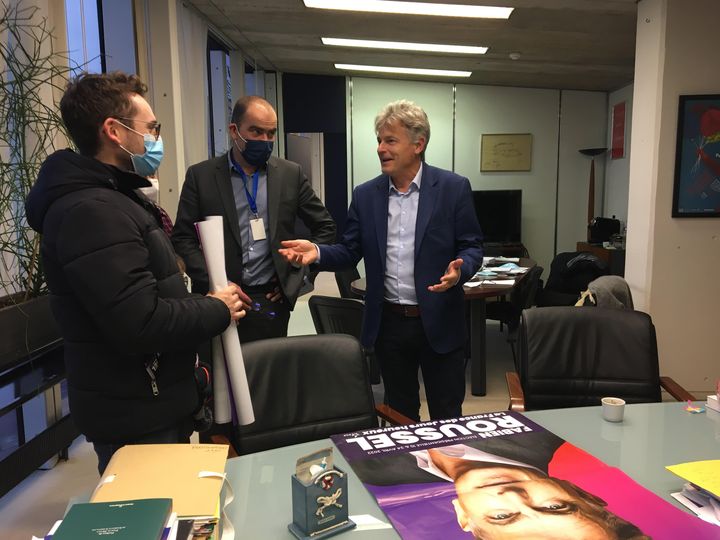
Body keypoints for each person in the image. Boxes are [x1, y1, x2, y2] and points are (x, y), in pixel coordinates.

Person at [25, 72, 249, 474]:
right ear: (114, 131)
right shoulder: (93, 212)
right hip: (137, 414)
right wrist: (215, 308)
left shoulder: (114, 199)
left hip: (154, 402)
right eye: (152, 128)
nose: (157, 139)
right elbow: (139, 322)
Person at [279, 100, 483, 421]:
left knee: (447, 416)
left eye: (390, 140)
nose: (380, 148)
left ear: (418, 144)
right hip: (391, 325)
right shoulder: (366, 195)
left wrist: (461, 269)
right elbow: (349, 250)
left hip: (440, 322)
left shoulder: (452, 189)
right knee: (400, 416)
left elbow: (472, 247)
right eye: (378, 140)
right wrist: (317, 252)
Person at [172, 95, 336, 342]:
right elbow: (183, 238)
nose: (265, 141)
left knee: (268, 375)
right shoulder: (201, 176)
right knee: (220, 376)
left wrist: (298, 276)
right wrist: (215, 282)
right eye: (256, 131)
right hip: (219, 298)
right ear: (234, 131)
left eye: (271, 133)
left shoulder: (290, 174)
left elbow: (325, 227)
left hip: (270, 300)